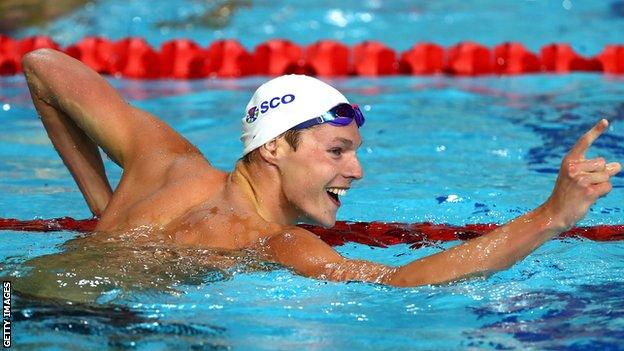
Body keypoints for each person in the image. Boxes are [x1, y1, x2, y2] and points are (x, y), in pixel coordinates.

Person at [21, 48, 621, 287]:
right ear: (272, 148)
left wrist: (106, 207)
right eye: (338, 151)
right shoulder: (275, 242)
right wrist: (551, 215)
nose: (356, 171)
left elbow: (43, 65)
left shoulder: (161, 162)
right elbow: (398, 281)